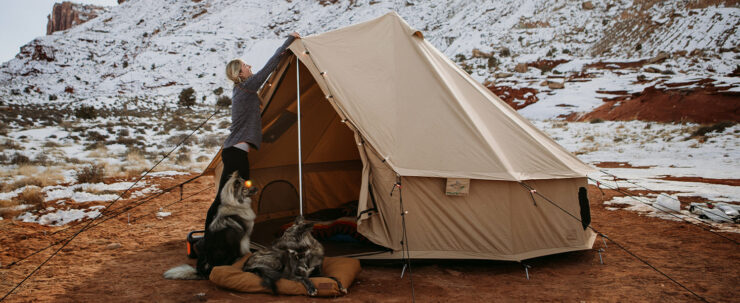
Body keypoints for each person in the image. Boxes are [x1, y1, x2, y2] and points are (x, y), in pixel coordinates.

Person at [204, 32, 300, 238]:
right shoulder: (246, 88)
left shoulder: (245, 91)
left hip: (237, 153)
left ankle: (228, 234)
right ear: (239, 73)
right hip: (235, 155)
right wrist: (290, 41)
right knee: (227, 196)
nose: (250, 67)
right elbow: (270, 65)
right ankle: (210, 236)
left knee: (236, 195)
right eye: (246, 66)